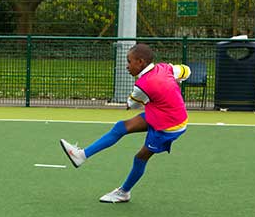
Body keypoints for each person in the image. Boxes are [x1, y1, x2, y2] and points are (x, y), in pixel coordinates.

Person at [60, 43, 191, 203]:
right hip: (162, 113)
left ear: (141, 62)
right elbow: (186, 70)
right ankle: (81, 156)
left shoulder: (143, 85)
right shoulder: (165, 68)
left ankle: (124, 192)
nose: (127, 66)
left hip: (169, 125)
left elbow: (132, 104)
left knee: (141, 157)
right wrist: (178, 80)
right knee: (121, 127)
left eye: (129, 62)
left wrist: (130, 103)